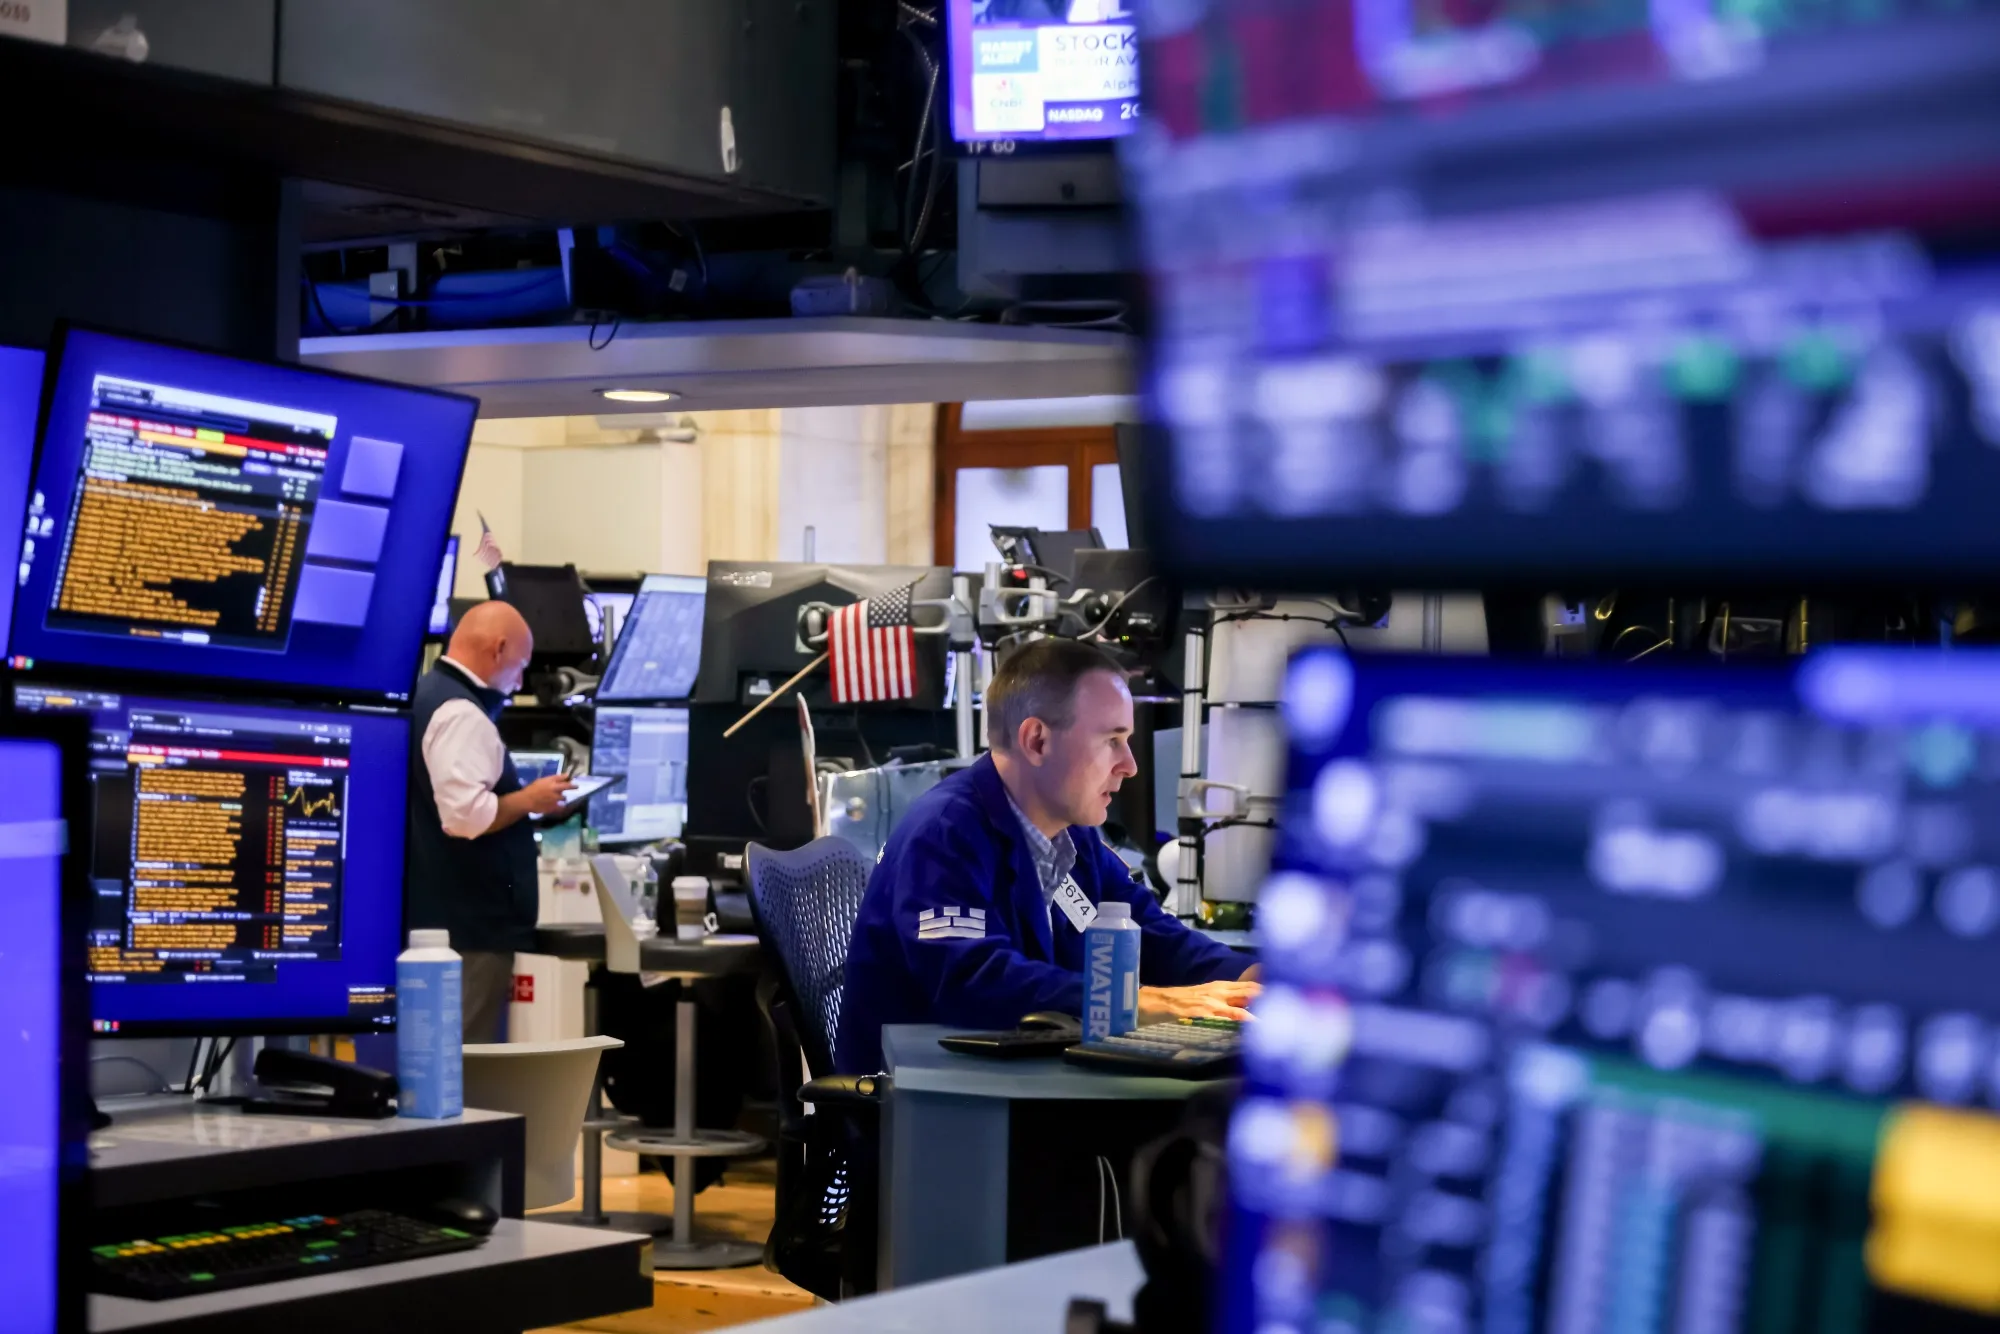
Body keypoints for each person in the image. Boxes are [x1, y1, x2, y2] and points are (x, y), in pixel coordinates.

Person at [835, 638, 1259, 1072]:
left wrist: (1249, 979)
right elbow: (972, 980)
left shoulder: (1072, 834)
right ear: (1037, 741)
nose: (1129, 764)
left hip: (1018, 1084)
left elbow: (1148, 933)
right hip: (930, 1112)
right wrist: (1139, 1004)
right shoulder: (945, 833)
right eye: (1112, 739)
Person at [406, 600, 576, 1041]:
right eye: (519, 666)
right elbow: (464, 817)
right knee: (465, 1073)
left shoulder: (426, 695)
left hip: (442, 920)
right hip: (471, 930)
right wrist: (530, 799)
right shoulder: (461, 713)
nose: (518, 682)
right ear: (498, 649)